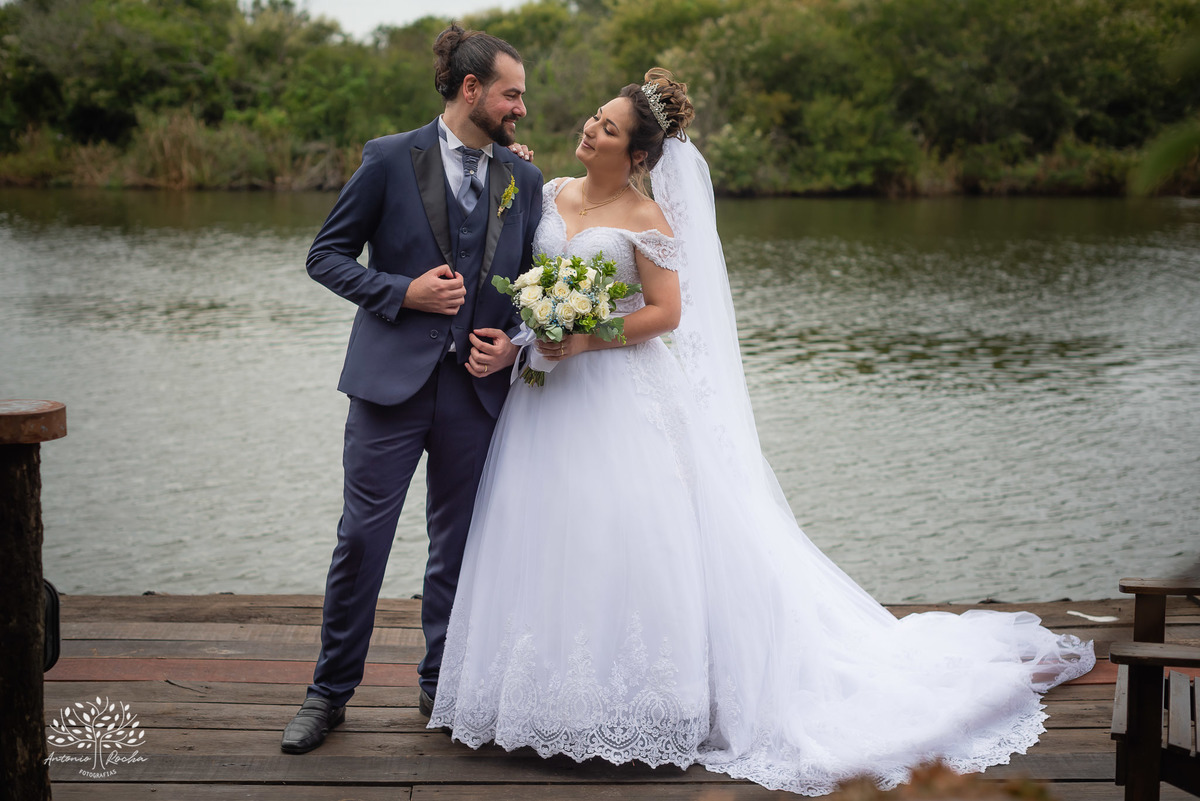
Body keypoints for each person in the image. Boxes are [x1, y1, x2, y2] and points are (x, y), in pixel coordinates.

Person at [428, 69, 1096, 794]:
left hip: (619, 391)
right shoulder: (549, 192)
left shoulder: (648, 220)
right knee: (548, 532)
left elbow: (666, 313)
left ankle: (643, 704)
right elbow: (523, 266)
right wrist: (536, 331)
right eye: (595, 118)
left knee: (625, 533)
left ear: (640, 157)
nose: (590, 129)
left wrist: (586, 338)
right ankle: (540, 701)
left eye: (610, 129)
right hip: (546, 399)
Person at [280, 25, 544, 755]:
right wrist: (402, 291)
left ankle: (442, 684)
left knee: (456, 545)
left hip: (475, 394)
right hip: (388, 387)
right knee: (362, 540)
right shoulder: (390, 158)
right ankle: (328, 692)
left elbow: (530, 285)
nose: (521, 107)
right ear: (471, 89)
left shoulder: (523, 181)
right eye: (511, 93)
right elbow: (324, 256)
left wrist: (511, 342)